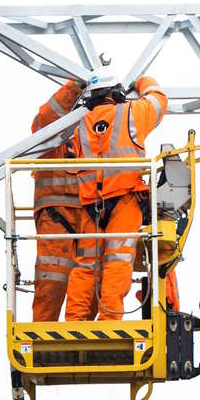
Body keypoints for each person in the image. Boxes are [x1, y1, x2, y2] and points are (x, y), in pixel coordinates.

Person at [63, 72, 168, 321]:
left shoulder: (79, 126)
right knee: (117, 261)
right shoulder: (131, 113)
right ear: (118, 93)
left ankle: (74, 320)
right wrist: (144, 80)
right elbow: (159, 100)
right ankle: (109, 320)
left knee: (86, 265)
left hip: (90, 206)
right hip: (124, 199)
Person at [30, 80, 86, 322]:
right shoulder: (51, 133)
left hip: (89, 216)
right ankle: (42, 340)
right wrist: (76, 87)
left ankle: (83, 341)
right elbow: (43, 119)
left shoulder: (95, 130)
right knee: (51, 281)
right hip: (57, 217)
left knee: (88, 285)